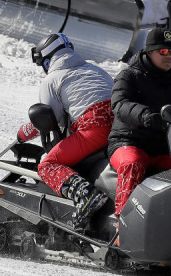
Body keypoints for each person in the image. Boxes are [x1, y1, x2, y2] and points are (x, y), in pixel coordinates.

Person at [17, 32, 114, 231]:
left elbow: (46, 118)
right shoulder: (95, 69)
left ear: (46, 61)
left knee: (48, 165)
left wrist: (21, 134)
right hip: (120, 127)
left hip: (94, 129)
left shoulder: (52, 79)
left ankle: (86, 195)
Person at [108, 27, 171, 218]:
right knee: (133, 164)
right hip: (129, 142)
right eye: (163, 51)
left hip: (165, 147)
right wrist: (145, 115)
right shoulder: (129, 76)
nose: (169, 56)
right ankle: (123, 227)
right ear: (149, 52)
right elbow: (120, 104)